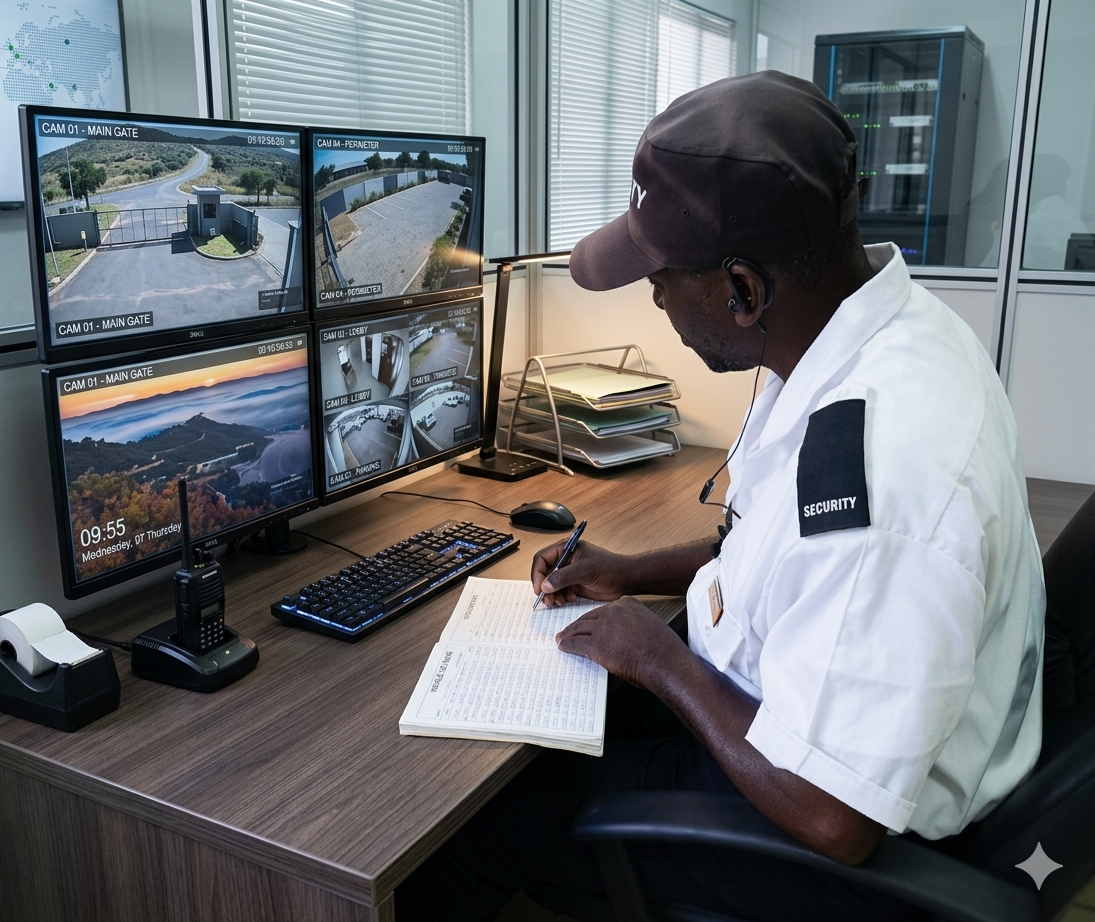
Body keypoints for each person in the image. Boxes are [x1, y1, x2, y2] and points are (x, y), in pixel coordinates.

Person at [397, 71, 1045, 922]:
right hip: (796, 715)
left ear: (743, 290)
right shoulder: (874, 338)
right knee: (553, 732)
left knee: (475, 829)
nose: (656, 297)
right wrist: (632, 572)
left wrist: (658, 660)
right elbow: (787, 554)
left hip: (838, 831)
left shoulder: (888, 468)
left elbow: (833, 815)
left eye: (661, 278)